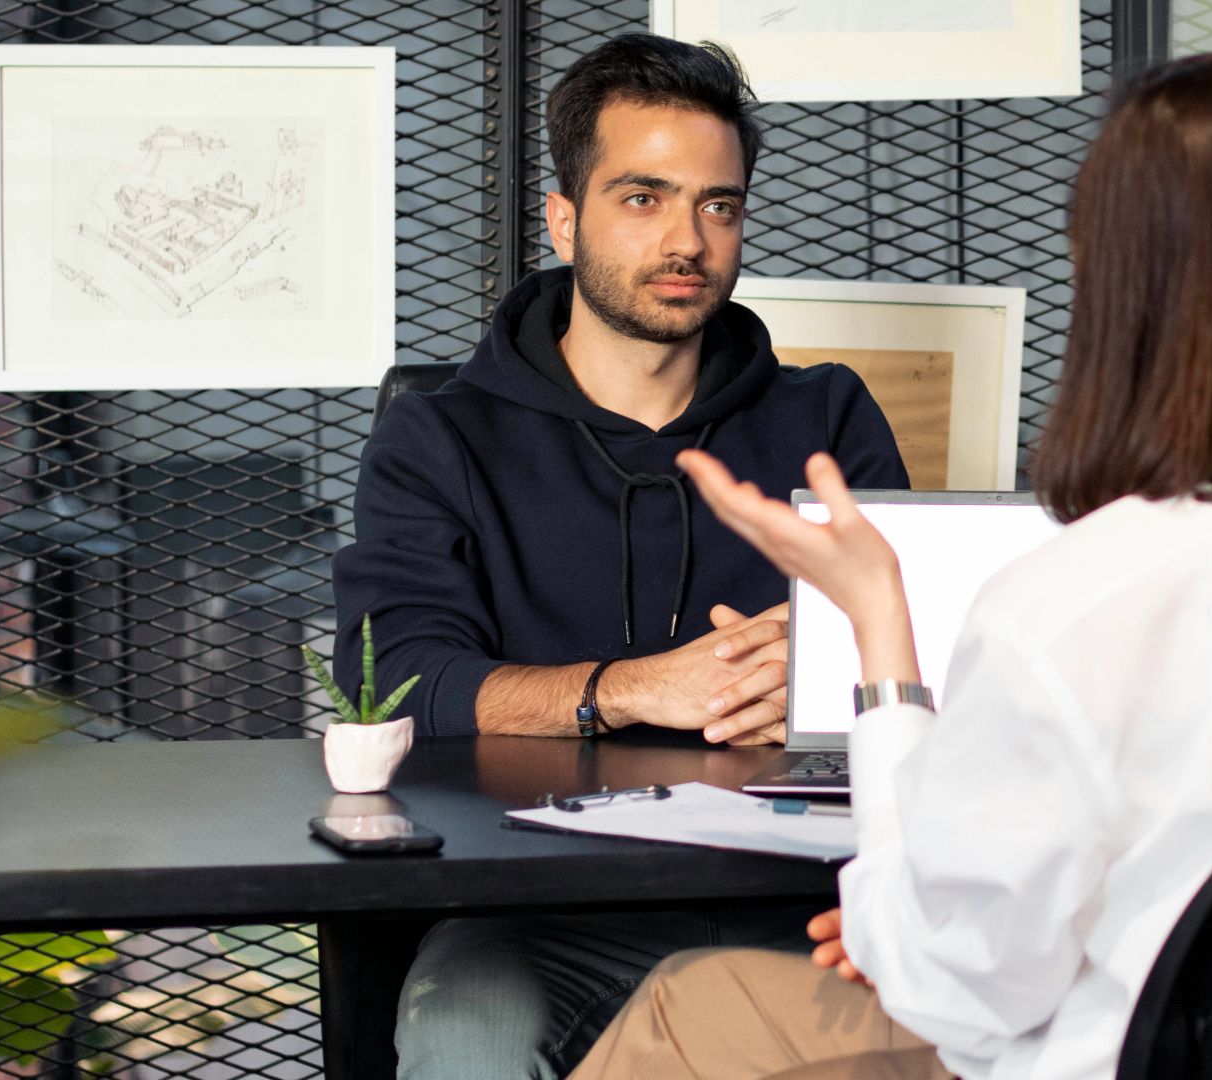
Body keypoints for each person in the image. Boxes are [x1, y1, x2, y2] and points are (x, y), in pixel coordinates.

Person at [567, 53, 1212, 1080]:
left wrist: (893, 913)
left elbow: (959, 995)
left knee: (682, 1011)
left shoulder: (1083, 606)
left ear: (1122, 286)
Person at [330, 34, 909, 1079]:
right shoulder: (441, 438)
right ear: (564, 217)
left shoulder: (828, 416)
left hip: (803, 901)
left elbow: (932, 665)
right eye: (644, 197)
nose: (688, 238)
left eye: (718, 204)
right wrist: (639, 689)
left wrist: (819, 680)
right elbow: (402, 678)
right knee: (467, 1032)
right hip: (534, 908)